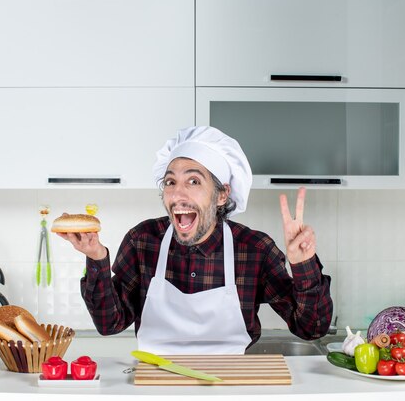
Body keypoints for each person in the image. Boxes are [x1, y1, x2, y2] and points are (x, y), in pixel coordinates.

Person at [58, 126, 333, 355]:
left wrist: (303, 265)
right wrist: (96, 258)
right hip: (156, 385)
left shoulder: (254, 250)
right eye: (170, 182)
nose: (178, 195)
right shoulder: (142, 241)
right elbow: (109, 323)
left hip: (231, 387)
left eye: (193, 182)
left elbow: (312, 328)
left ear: (222, 194)